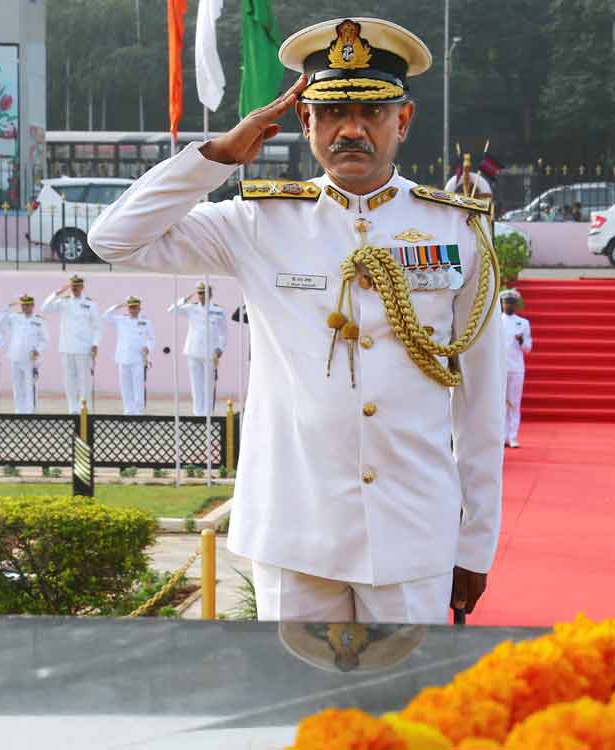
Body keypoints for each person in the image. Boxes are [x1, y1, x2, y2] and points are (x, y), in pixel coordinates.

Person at [87, 17, 504, 625]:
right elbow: (113, 240)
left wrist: (476, 539)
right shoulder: (260, 223)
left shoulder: (457, 229)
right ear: (305, 122)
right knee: (298, 712)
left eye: (372, 113)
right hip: (295, 528)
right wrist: (217, 157)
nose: (352, 131)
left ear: (403, 121)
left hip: (413, 531)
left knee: (402, 710)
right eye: (332, 114)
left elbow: (481, 400)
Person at [41, 275, 101, 414]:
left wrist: (95, 344)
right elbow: (44, 308)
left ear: (82, 287)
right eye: (72, 286)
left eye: (77, 286)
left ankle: (86, 408)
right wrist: (58, 292)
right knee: (69, 380)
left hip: (84, 348)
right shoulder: (63, 302)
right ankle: (72, 409)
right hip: (67, 347)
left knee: (85, 380)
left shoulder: (90, 304)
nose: (74, 289)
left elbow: (97, 326)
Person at [168, 282, 226, 416]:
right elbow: (171, 309)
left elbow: (223, 332)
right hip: (193, 351)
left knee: (209, 385)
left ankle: (208, 414)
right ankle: (198, 413)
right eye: (199, 293)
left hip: (210, 352)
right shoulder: (190, 308)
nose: (201, 295)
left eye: (204, 292)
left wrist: (220, 348)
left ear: (210, 294)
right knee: (196, 385)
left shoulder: (218, 310)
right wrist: (184, 299)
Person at [104, 296, 157, 415]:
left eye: (135, 307)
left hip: (138, 358)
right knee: (125, 386)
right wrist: (120, 305)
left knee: (138, 385)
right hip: (123, 358)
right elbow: (105, 316)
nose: (132, 310)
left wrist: (148, 348)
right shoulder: (121, 320)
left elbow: (152, 338)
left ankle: (139, 410)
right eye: (130, 307)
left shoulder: (145, 322)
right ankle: (128, 410)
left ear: (139, 308)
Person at [4, 294, 49, 414]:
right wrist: (8, 307)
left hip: (30, 358)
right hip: (15, 356)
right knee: (17, 385)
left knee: (29, 386)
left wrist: (38, 350)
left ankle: (30, 411)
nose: (25, 307)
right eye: (23, 305)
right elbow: (1, 322)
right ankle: (19, 410)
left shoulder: (39, 320)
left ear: (32, 305)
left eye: (27, 305)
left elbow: (45, 340)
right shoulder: (14, 317)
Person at [499, 289, 532, 449]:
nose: (509, 305)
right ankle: (502, 436)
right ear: (502, 304)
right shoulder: (497, 321)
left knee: (514, 402)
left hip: (517, 367)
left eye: (512, 303)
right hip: (500, 368)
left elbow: (528, 348)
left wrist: (521, 341)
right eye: (506, 302)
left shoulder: (523, 323)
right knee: (500, 403)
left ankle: (512, 436)